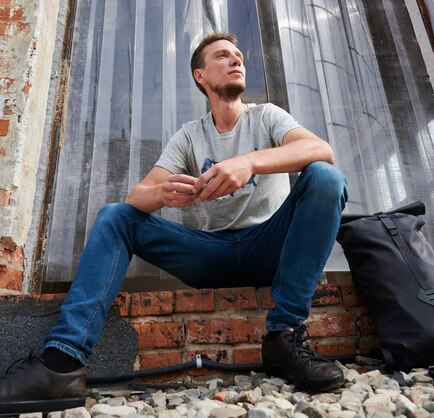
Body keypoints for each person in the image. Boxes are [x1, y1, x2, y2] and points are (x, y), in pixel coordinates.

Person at [0, 32, 348, 414]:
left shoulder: (266, 116)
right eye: (223, 56)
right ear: (201, 75)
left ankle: (283, 335)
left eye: (238, 55)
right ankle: (62, 364)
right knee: (115, 215)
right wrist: (163, 194)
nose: (236, 60)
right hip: (213, 254)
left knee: (326, 178)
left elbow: (321, 150)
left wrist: (248, 161)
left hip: (272, 247)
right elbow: (137, 197)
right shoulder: (190, 135)